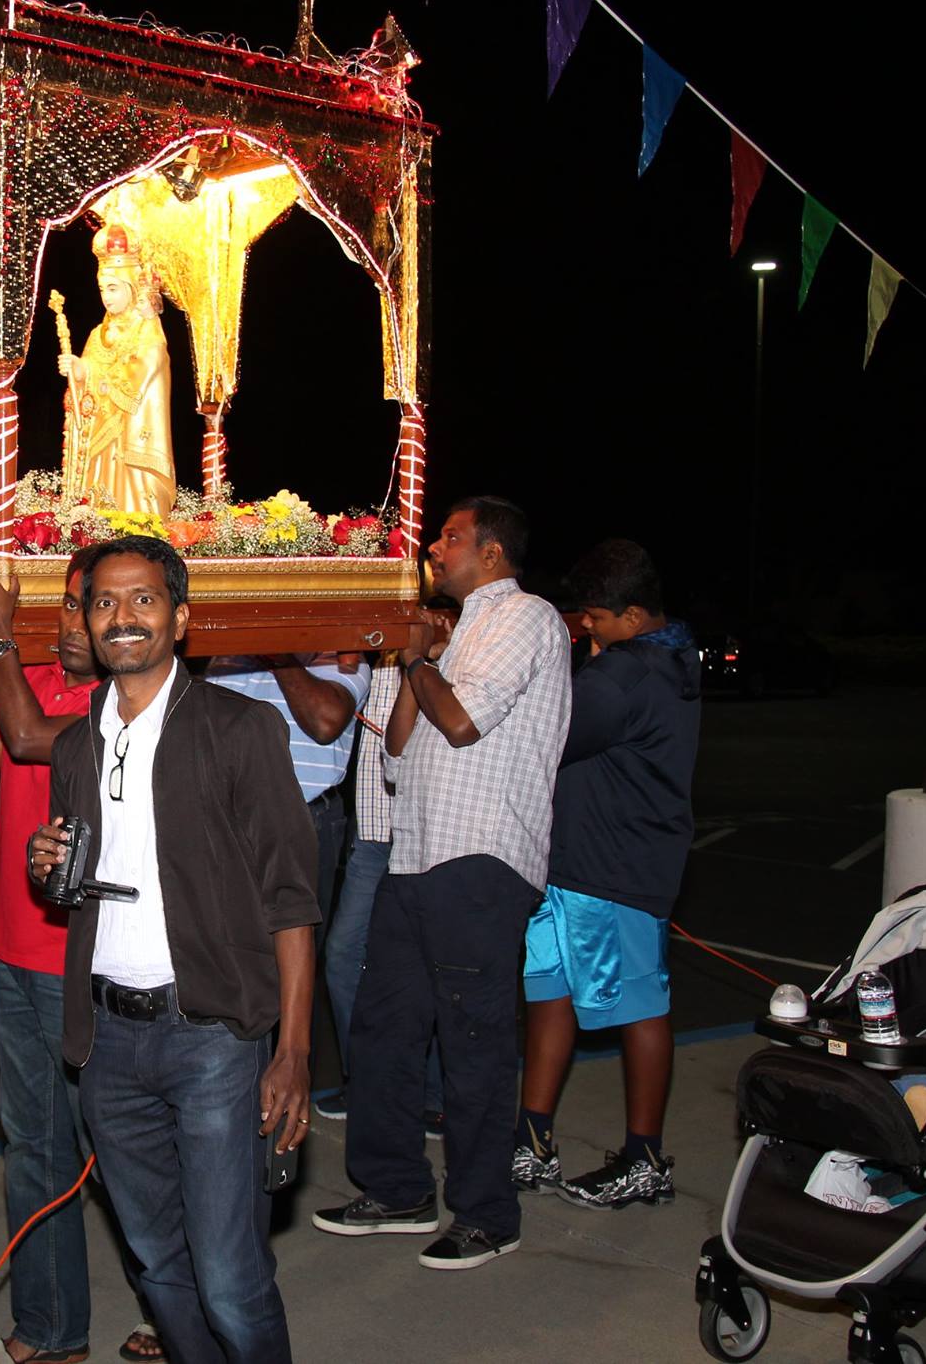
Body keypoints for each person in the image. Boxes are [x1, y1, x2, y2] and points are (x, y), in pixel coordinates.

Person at [29, 535, 317, 1364]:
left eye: (144, 599)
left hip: (213, 1039)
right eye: (104, 602)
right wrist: (45, 865)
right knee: (157, 1265)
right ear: (84, 620)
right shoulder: (77, 743)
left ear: (181, 618)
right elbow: (72, 881)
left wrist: (292, 1049)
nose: (122, 617)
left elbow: (292, 898)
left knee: (228, 1275)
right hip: (107, 1043)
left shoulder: (240, 727)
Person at [315, 495, 571, 1271]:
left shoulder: (523, 617)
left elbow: (461, 723)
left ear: (492, 554)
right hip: (416, 855)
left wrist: (422, 660)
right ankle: (395, 1186)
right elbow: (399, 750)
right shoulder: (455, 636)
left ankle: (489, 1211)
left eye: (451, 536)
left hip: (481, 859)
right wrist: (413, 659)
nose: (434, 545)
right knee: (385, 1029)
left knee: (473, 1044)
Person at [0, 557, 163, 1364]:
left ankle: (177, 1314)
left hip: (98, 966)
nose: (69, 624)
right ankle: (52, 1330)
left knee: (129, 1153)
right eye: (62, 607)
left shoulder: (128, 702)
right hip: (15, 953)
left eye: (84, 607)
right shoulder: (20, 679)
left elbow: (30, 740)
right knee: (34, 1149)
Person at [511, 539, 700, 1211]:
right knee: (549, 994)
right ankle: (533, 1139)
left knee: (639, 1005)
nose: (585, 624)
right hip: (572, 861)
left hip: (613, 867)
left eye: (595, 616)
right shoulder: (656, 655)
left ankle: (645, 1157)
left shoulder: (627, 676)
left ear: (635, 613)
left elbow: (549, 729)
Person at [205, 653, 367, 1116]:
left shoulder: (342, 649)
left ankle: (278, 1097)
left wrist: (277, 653)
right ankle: (229, 1098)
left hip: (303, 820)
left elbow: (324, 720)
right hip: (226, 822)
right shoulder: (227, 652)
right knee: (226, 966)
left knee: (287, 970)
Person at [310, 659, 444, 1130]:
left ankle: (431, 1095)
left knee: (427, 962)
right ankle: (370, 1081)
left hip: (432, 824)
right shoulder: (367, 649)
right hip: (374, 827)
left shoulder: (438, 641)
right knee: (345, 955)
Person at [58, 223, 177, 518]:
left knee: (134, 504)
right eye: (102, 289)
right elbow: (91, 371)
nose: (106, 296)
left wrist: (96, 380)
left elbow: (146, 370)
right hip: (100, 440)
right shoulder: (98, 333)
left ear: (131, 287)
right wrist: (79, 369)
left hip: (131, 437)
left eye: (113, 288)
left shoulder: (147, 331)